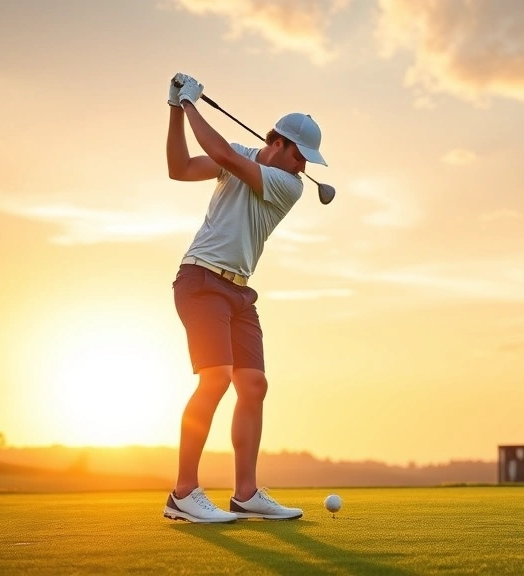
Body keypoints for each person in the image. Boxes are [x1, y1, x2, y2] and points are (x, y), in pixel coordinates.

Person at [161, 73, 327, 523]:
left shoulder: (285, 186)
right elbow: (180, 168)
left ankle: (246, 492)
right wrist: (177, 111)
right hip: (200, 281)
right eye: (302, 157)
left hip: (237, 292)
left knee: (253, 384)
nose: (305, 169)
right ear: (281, 143)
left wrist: (192, 104)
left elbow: (220, 154)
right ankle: (183, 493)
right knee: (215, 378)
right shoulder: (246, 158)